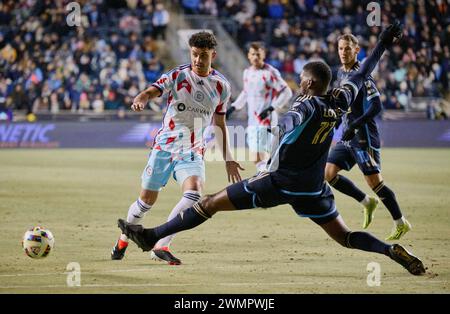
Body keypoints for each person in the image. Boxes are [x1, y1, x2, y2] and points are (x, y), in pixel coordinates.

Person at [118, 22, 426, 276]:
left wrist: (269, 141)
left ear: (307, 84)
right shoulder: (340, 100)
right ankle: (388, 249)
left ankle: (152, 236)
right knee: (345, 237)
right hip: (314, 190)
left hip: (279, 183)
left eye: (301, 81)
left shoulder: (303, 107)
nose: (299, 84)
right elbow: (362, 72)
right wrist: (383, 42)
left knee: (209, 203)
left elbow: (287, 127)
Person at [111, 31, 244, 265]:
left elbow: (220, 124)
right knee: (145, 203)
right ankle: (123, 239)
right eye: (194, 54)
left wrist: (229, 159)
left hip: (192, 150)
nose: (198, 60)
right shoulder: (177, 75)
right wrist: (141, 99)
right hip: (164, 147)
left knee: (194, 194)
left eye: (203, 55)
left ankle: (161, 244)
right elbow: (151, 90)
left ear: (213, 54)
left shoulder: (222, 86)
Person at [325, 34, 411, 240]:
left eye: (347, 49)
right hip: (347, 136)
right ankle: (366, 202)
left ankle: (400, 222)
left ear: (356, 50)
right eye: (340, 48)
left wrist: (354, 125)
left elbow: (376, 107)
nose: (343, 52)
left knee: (375, 182)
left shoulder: (363, 75)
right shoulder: (339, 73)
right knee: (328, 174)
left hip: (364, 137)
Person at [226, 42, 293, 171]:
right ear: (248, 56)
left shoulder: (270, 72)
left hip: (266, 120)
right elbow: (246, 92)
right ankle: (267, 178)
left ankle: (265, 183)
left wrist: (271, 108)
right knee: (255, 158)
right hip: (252, 120)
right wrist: (234, 107)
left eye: (258, 54)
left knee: (262, 156)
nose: (255, 57)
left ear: (264, 55)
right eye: (253, 54)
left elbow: (287, 92)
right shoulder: (247, 72)